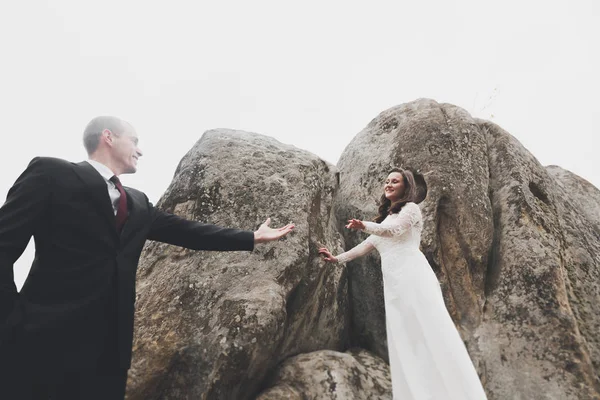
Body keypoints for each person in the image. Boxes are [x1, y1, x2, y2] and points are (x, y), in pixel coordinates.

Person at [0, 116, 294, 400]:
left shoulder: (138, 202)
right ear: (108, 137)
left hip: (108, 357)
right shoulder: (50, 173)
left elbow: (188, 231)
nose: (140, 149)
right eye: (134, 140)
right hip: (41, 343)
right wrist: (13, 322)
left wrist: (251, 236)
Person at [319, 168, 487, 399]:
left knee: (430, 331)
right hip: (394, 286)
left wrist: (364, 225)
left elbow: (394, 231)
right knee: (405, 339)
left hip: (414, 278)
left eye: (394, 181)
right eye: (387, 181)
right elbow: (365, 247)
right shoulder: (385, 219)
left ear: (405, 186)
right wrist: (336, 258)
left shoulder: (410, 209)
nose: (388, 184)